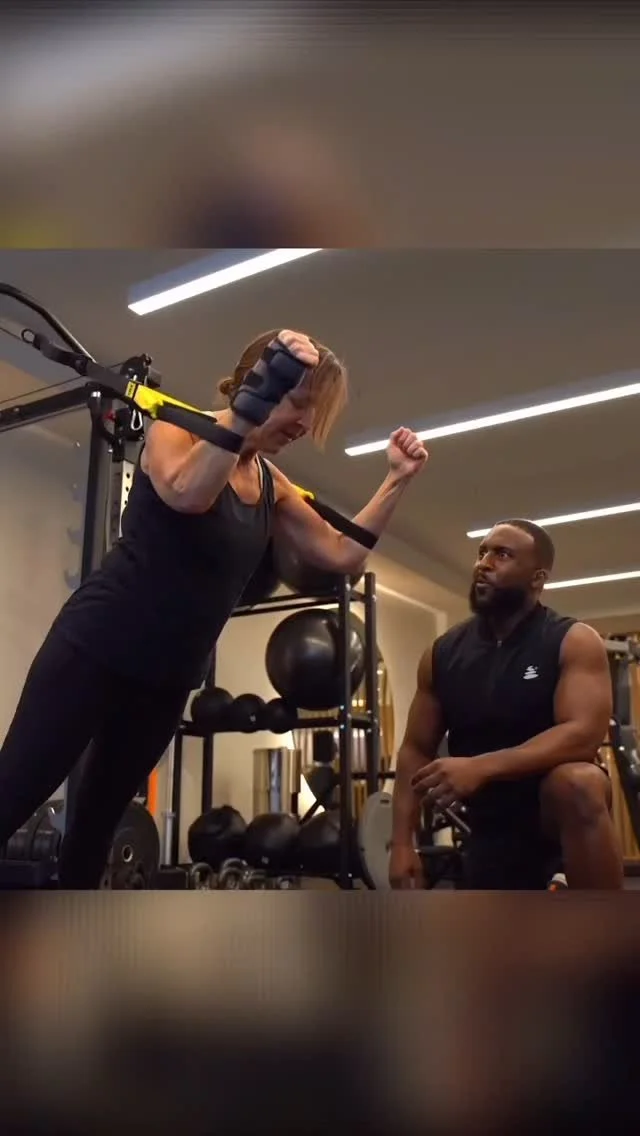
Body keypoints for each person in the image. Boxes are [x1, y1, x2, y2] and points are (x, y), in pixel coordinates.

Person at [0, 328, 428, 888]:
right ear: (259, 383)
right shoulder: (176, 426)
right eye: (300, 403)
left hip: (167, 679)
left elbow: (342, 552)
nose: (304, 424)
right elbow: (186, 493)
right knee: (16, 792)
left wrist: (396, 480)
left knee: (97, 826)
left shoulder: (271, 482)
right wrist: (250, 410)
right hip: (96, 646)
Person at [390, 518, 623, 890]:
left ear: (537, 578)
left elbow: (583, 735)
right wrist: (402, 844)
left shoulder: (572, 640)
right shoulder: (442, 653)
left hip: (554, 816)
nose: (483, 563)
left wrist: (481, 767)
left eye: (502, 555)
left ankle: (605, 921)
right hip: (488, 821)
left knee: (578, 781)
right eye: (482, 552)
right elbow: (415, 749)